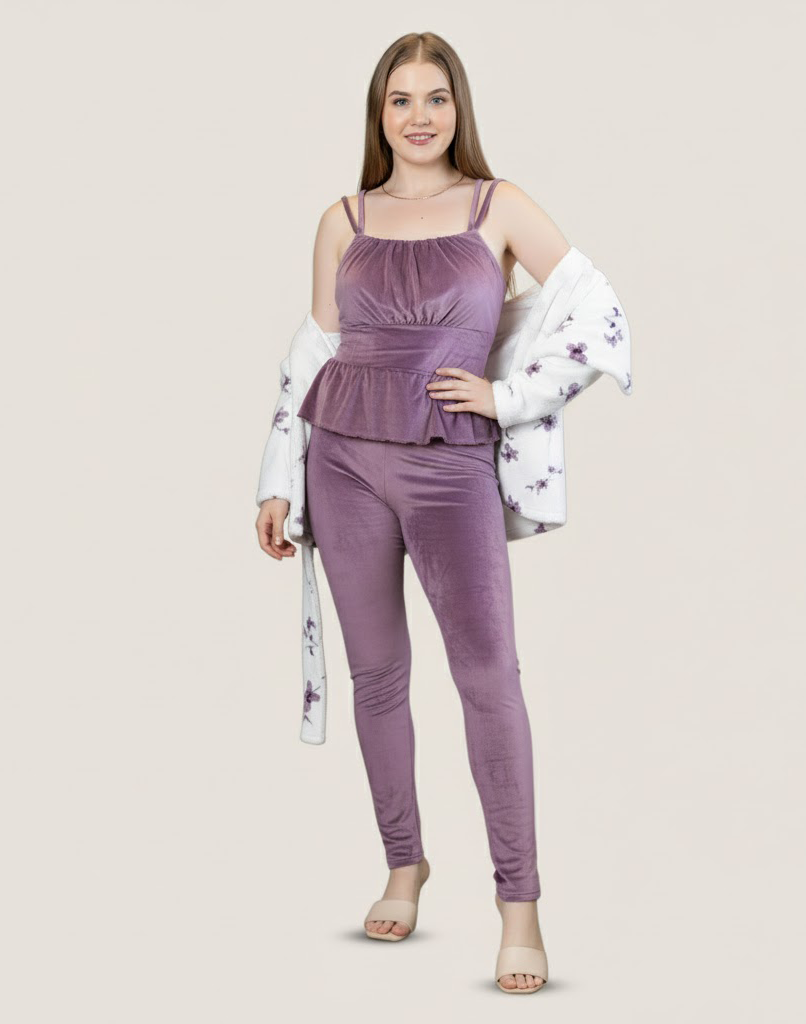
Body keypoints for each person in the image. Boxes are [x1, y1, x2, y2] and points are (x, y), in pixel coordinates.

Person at [256, 32, 585, 995]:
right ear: (379, 113)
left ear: (458, 108)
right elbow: (313, 350)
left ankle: (519, 908)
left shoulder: (497, 206)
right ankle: (404, 863)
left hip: (449, 463)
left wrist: (507, 398)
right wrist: (277, 478)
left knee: (488, 678)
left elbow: (595, 311)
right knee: (377, 677)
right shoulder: (343, 218)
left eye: (435, 98)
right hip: (341, 461)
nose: (418, 116)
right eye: (399, 100)